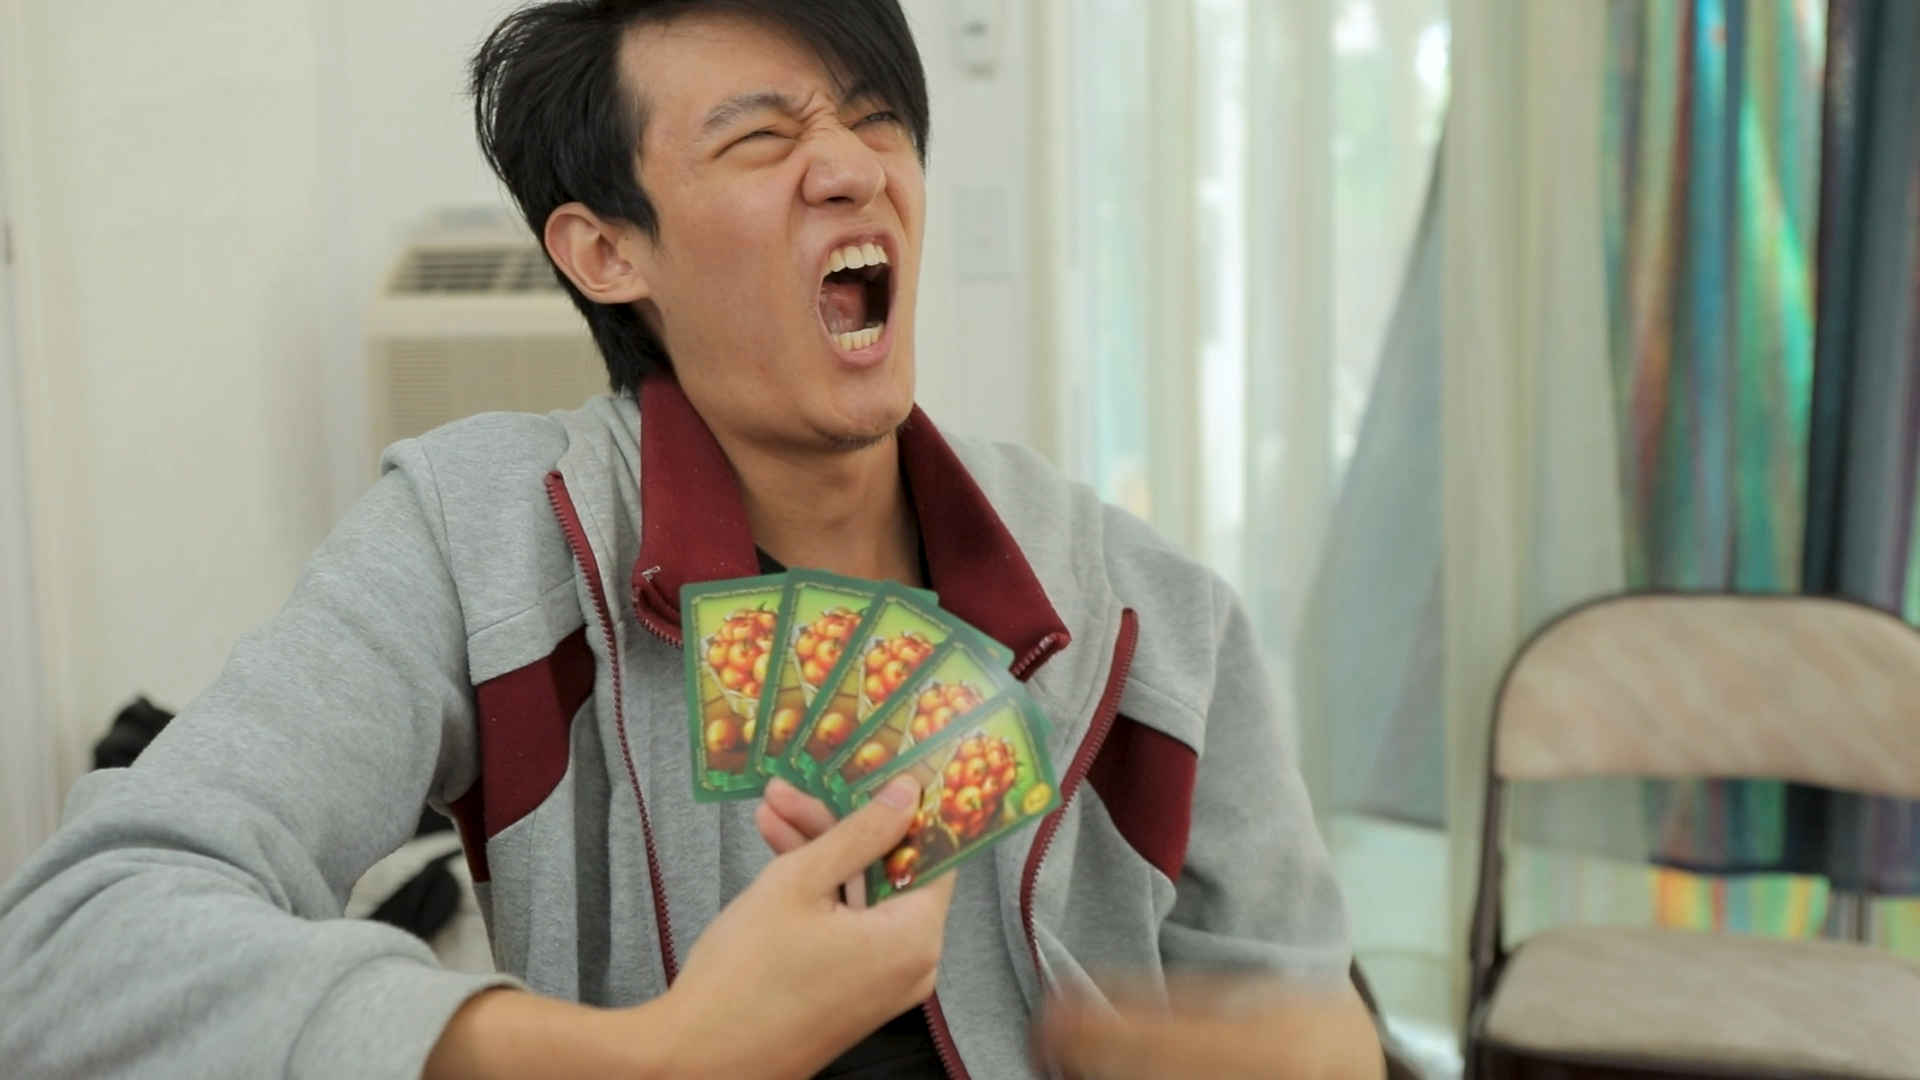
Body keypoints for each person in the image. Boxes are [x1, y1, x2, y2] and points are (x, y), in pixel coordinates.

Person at [0, 2, 1383, 1077]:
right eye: (762, 139)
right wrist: (658, 1058)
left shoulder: (1154, 623)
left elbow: (1314, 1026)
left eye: (876, 118)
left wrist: (1293, 1052)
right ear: (607, 252)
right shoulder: (478, 539)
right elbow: (68, 946)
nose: (852, 166)